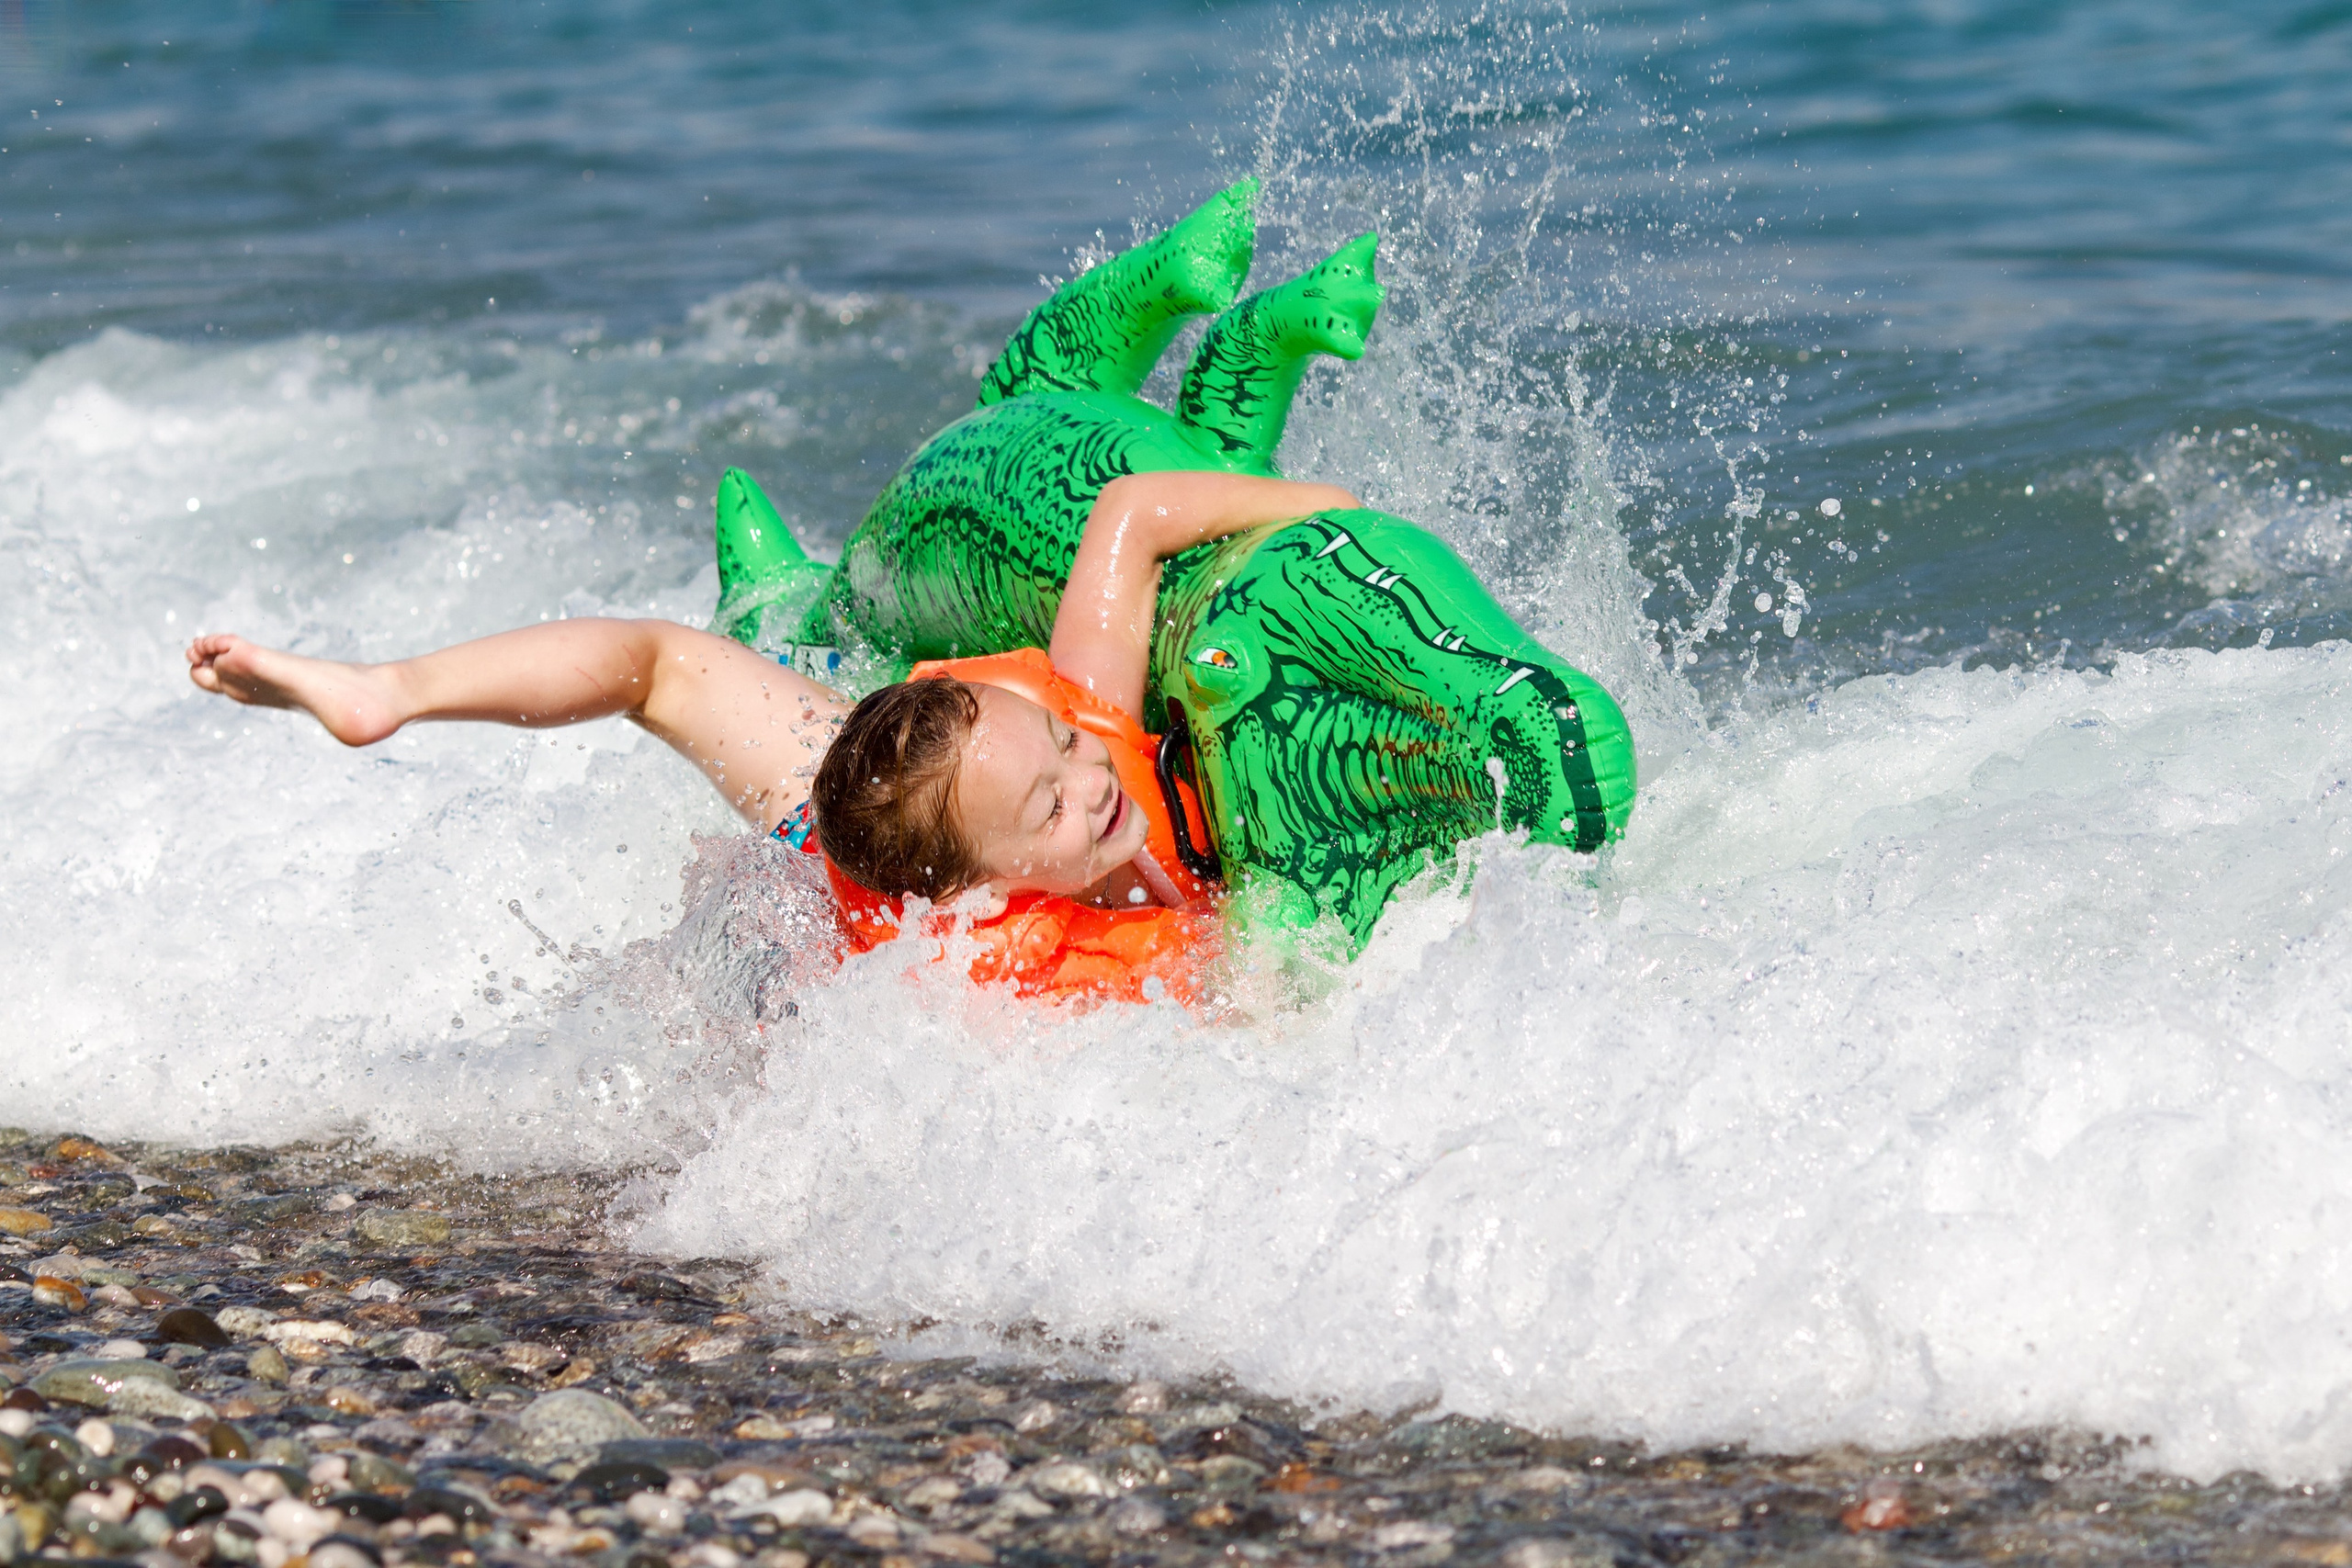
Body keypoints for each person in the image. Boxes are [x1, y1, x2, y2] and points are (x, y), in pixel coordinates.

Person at [187, 471, 1358, 928]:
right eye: (1048, 810)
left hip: (876, 778)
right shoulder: (993, 974)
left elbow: (1127, 514)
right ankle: (374, 691)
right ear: (983, 895)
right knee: (710, 757)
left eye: (1060, 747)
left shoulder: (1083, 739)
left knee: (665, 662)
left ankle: (384, 690)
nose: (1094, 789)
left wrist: (1337, 523)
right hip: (830, 847)